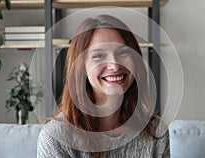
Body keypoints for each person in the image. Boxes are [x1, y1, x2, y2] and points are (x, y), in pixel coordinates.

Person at [37, 15, 169, 158]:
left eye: (123, 52)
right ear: (81, 68)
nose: (114, 65)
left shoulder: (156, 130)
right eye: (98, 56)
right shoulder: (55, 137)